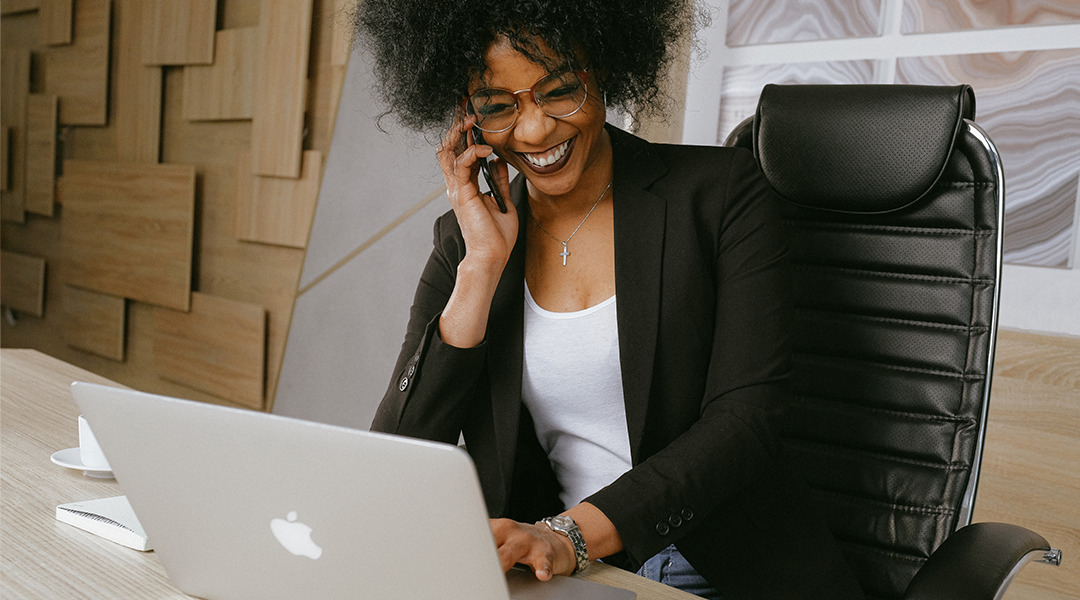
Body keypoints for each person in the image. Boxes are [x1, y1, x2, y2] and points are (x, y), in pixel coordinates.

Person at [355, 1, 863, 598]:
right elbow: (401, 456)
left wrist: (567, 536)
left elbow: (746, 421)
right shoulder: (468, 240)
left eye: (559, 91)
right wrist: (482, 269)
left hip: (714, 560)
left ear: (605, 71)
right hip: (553, 571)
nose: (535, 129)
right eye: (499, 106)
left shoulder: (722, 196)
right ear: (469, 118)